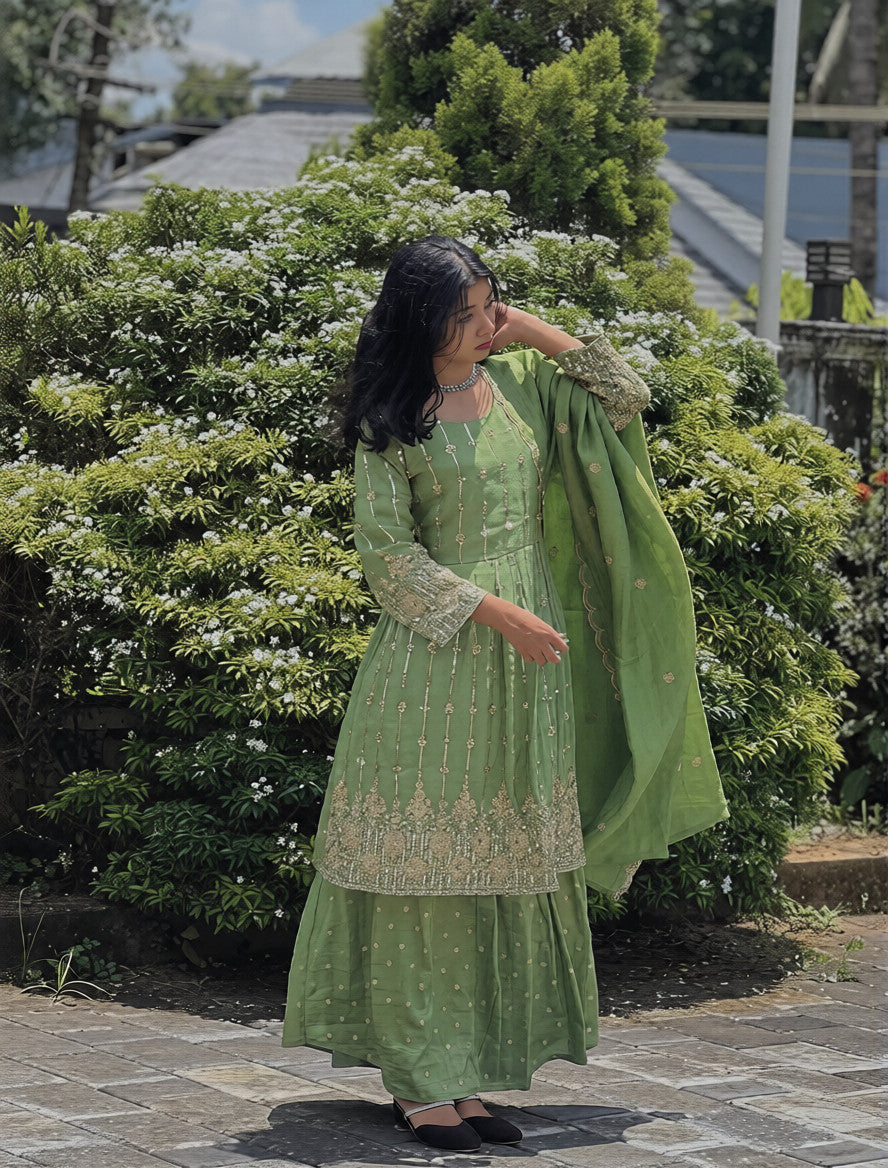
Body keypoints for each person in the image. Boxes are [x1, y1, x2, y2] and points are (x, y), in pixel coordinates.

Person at [282, 235, 728, 1152]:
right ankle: (420, 1080)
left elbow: (627, 397)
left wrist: (529, 328)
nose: (487, 324)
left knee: (505, 864)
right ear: (421, 323)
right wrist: (496, 613)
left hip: (529, 672)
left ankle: (466, 1071)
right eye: (468, 312)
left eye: (492, 304)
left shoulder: (524, 383)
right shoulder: (390, 423)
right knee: (429, 872)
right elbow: (388, 560)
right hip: (435, 667)